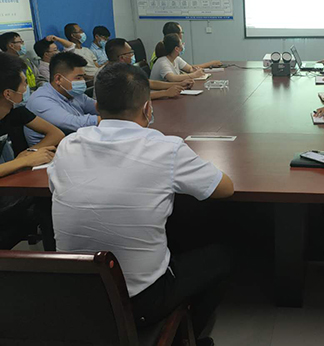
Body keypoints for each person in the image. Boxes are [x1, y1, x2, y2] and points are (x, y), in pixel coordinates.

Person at [48, 63, 234, 344]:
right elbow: (225, 189)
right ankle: (186, 336)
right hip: (140, 302)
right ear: (148, 108)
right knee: (221, 256)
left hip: (75, 294)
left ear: (97, 107)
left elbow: (57, 188)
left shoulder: (68, 146)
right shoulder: (166, 148)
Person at [0, 53, 64, 251]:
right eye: (24, 84)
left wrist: (30, 152)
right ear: (8, 93)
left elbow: (56, 134)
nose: (27, 88)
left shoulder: (16, 113)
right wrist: (22, 161)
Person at [25, 52, 100, 145]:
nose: (83, 81)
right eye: (78, 78)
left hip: (75, 143)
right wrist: (106, 118)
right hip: (52, 151)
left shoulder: (73, 93)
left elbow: (98, 108)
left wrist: (111, 112)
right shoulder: (40, 100)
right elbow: (74, 123)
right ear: (58, 79)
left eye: (83, 77)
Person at [105, 38, 191, 99]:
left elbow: (148, 83)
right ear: (122, 58)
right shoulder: (112, 75)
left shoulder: (127, 68)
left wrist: (180, 84)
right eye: (130, 52)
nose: (132, 55)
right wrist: (166, 93)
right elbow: (136, 97)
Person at [150, 22, 221, 70]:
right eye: (181, 33)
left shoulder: (168, 49)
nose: (182, 35)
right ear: (175, 35)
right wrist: (210, 64)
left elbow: (188, 68)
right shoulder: (163, 54)